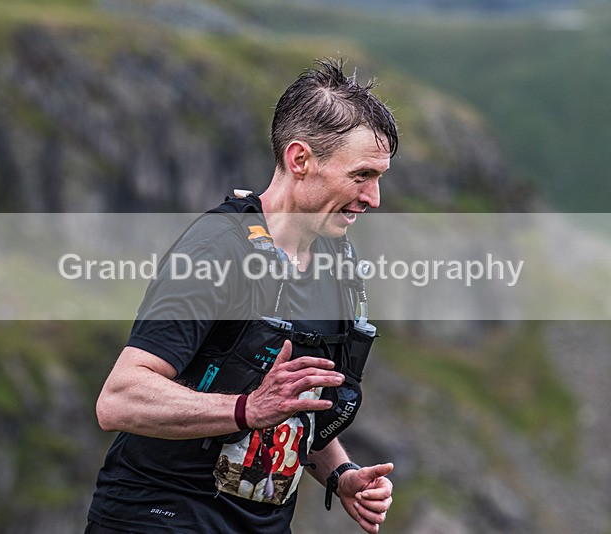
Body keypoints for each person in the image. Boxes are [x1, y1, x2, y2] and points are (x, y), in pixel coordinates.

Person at [86, 58, 399, 534]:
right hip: (159, 519)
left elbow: (289, 401)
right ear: (300, 160)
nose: (374, 198)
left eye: (379, 178)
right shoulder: (217, 249)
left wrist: (340, 474)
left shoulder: (336, 262)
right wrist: (246, 409)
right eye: (361, 176)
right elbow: (120, 399)